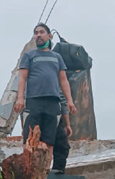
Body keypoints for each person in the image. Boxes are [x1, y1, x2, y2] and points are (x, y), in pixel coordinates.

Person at [14, 23, 76, 170]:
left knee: (49, 139)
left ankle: (45, 172)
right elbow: (22, 78)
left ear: (49, 36)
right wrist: (20, 98)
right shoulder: (29, 56)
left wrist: (70, 101)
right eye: (36, 33)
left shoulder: (57, 57)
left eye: (41, 32)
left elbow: (63, 80)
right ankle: (28, 169)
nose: (38, 35)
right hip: (33, 101)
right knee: (30, 138)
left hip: (52, 102)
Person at [51, 92, 72, 174]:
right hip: (53, 113)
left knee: (61, 146)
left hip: (35, 113)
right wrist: (67, 124)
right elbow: (62, 101)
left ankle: (57, 171)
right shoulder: (55, 80)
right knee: (61, 146)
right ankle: (57, 171)